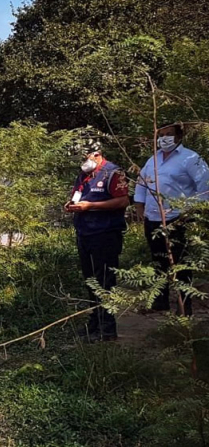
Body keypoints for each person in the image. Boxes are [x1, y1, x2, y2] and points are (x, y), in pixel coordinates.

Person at [134, 123, 209, 316]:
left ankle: (184, 306)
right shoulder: (153, 159)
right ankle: (160, 301)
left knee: (181, 262)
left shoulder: (191, 158)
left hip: (179, 218)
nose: (164, 138)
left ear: (179, 137)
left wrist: (192, 212)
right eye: (161, 135)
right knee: (158, 260)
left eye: (169, 134)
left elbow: (204, 185)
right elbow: (141, 182)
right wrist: (139, 206)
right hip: (153, 218)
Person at [65, 141, 129, 342]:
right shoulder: (84, 175)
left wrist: (91, 205)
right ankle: (94, 323)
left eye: (84, 156)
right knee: (91, 281)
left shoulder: (114, 173)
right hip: (85, 233)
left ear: (96, 153)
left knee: (104, 281)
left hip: (106, 234)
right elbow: (77, 196)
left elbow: (123, 201)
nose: (82, 161)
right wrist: (72, 205)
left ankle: (107, 329)